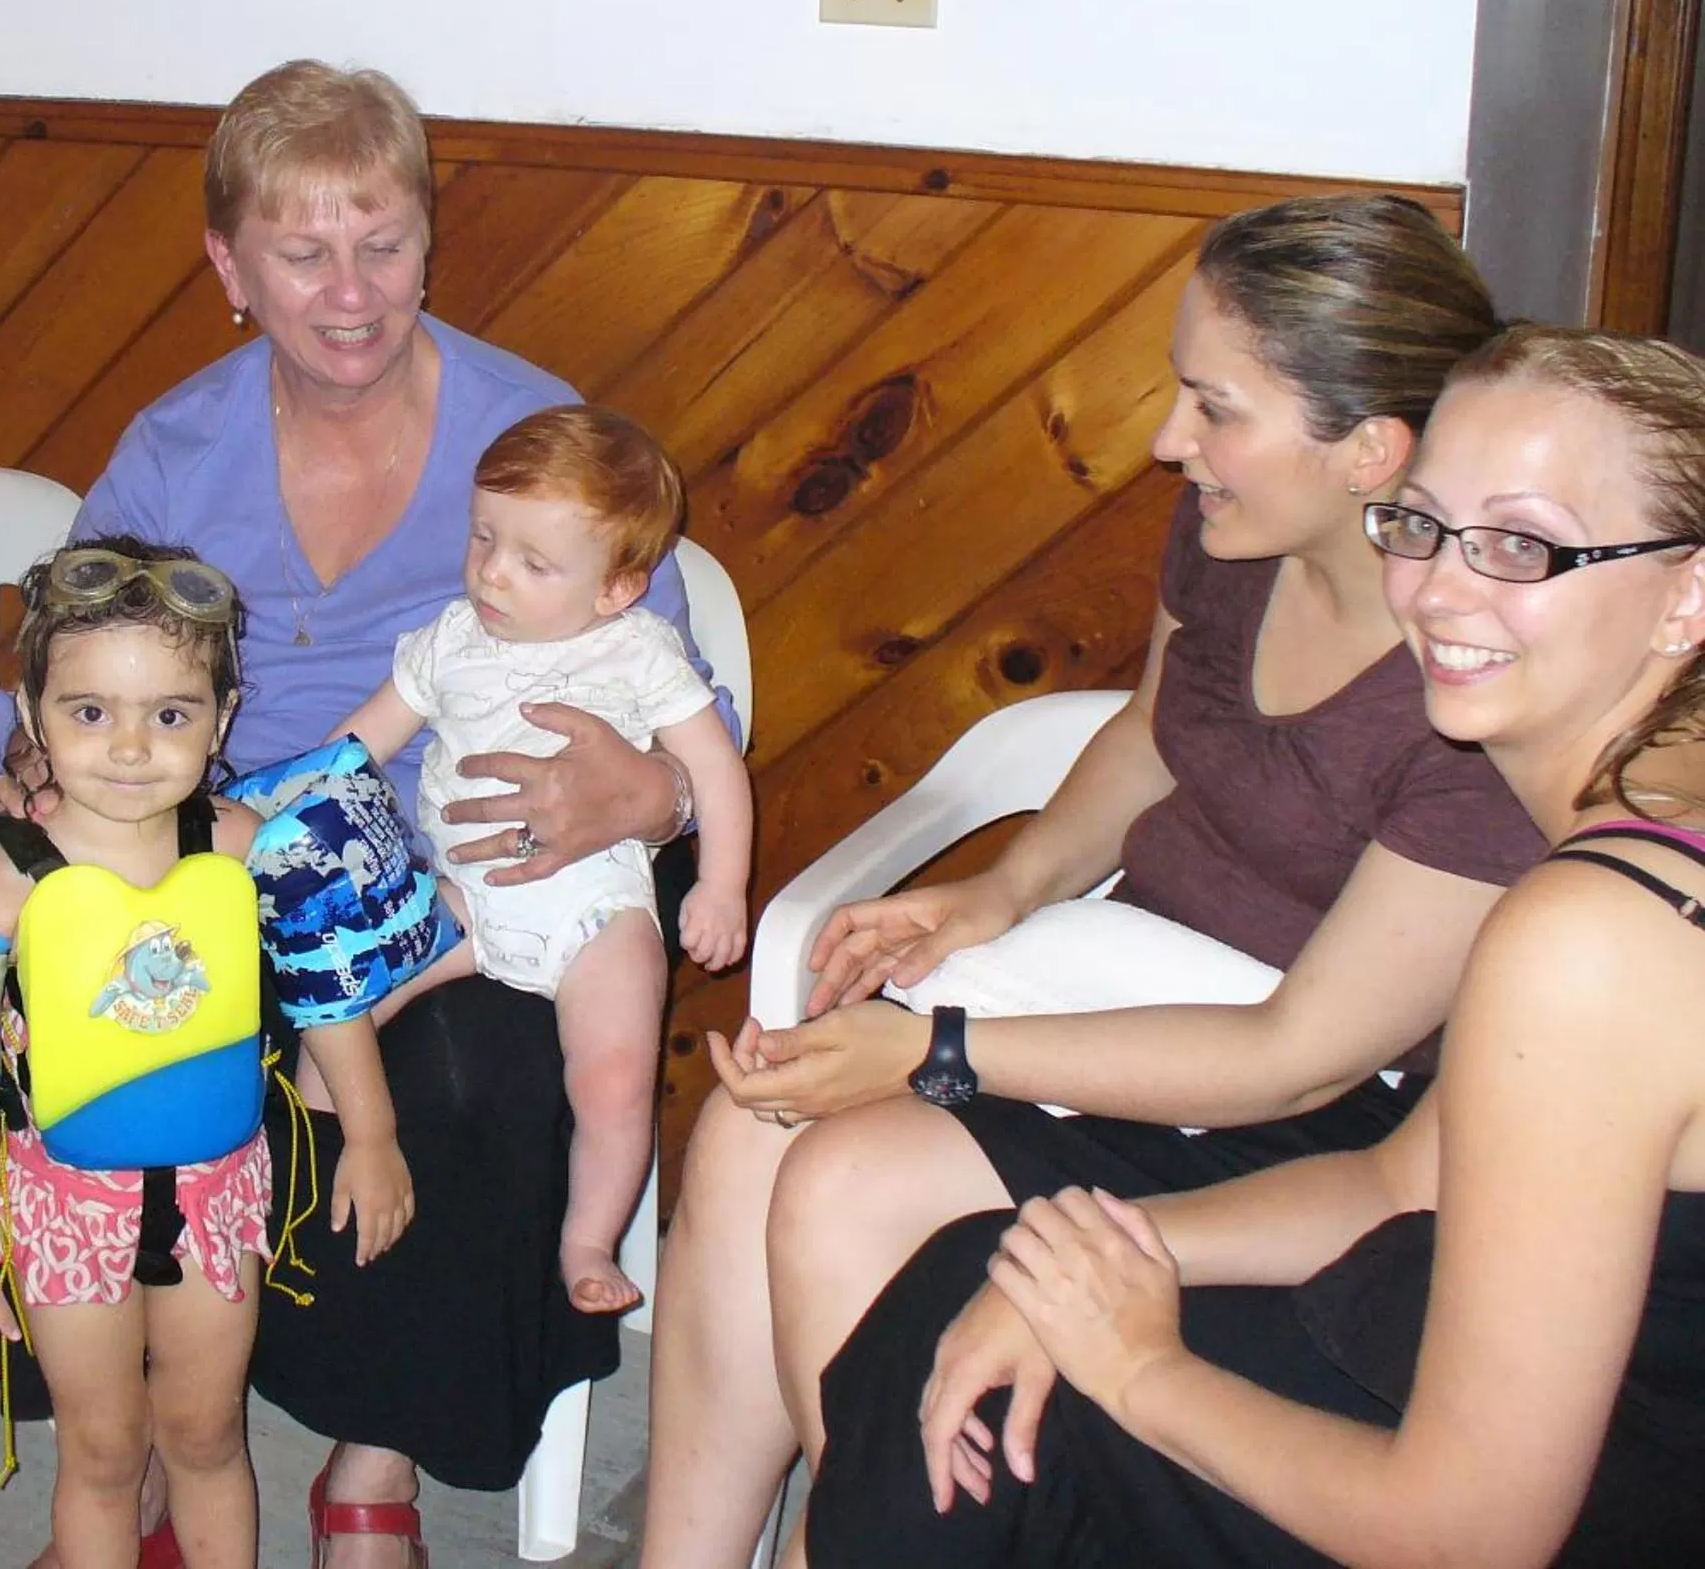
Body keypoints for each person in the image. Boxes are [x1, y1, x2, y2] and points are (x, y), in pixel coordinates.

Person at [641, 194, 1544, 1567]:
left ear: (1370, 450)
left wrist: (937, 1050)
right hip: (1127, 976)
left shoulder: (1472, 692)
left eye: (1214, 406)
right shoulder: (1236, 539)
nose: (1170, 441)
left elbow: (1294, 1059)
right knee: (748, 1129)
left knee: (843, 1179)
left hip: (1303, 1102)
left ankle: (891, 1535)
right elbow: (1144, 736)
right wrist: (1002, 893)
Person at [0, 59, 736, 1566]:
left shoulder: (532, 435)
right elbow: (52, 678)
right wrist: (36, 781)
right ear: (229, 268)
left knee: (488, 1066)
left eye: (381, 244)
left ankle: (370, 1459)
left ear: (428, 242)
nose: (348, 292)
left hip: (457, 881)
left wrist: (638, 794)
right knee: (86, 1037)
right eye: (301, 252)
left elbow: (682, 705)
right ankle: (129, 1439)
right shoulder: (174, 450)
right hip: (200, 864)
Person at [808, 323, 1705, 1566]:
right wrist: (1122, 1256)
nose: (1438, 591)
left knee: (1007, 1417)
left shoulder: (1593, 937)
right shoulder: (1654, 824)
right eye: (1421, 524)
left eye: (1520, 543)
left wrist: (1134, 1369)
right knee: (992, 1268)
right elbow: (1402, 1183)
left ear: (1688, 592)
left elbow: (1467, 1535)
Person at [0, 539, 411, 1569]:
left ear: (223, 719)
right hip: (64, 1212)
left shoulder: (241, 847)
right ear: (32, 715)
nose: (131, 748)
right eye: (89, 712)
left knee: (202, 1435)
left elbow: (330, 991)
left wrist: (370, 1133)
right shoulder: (1, 887)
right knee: (103, 1452)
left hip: (216, 1197)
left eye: (171, 715)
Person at [338, 404, 751, 1315]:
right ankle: (323, 1144)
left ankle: (587, 1237)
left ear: (616, 588)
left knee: (613, 1074)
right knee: (349, 1002)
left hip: (595, 911)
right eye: (484, 537)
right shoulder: (449, 641)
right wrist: (290, 808)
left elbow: (715, 768)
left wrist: (721, 886)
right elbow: (359, 744)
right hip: (464, 898)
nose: (491, 572)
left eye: (534, 562)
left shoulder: (638, 653)